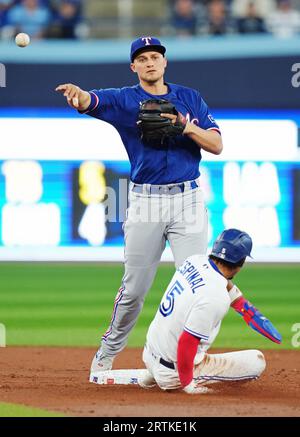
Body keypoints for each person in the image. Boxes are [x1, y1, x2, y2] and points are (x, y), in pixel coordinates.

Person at [55, 36, 223, 374]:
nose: (149, 62)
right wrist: (78, 96)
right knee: (133, 291)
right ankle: (105, 354)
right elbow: (91, 101)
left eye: (155, 57)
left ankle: (188, 358)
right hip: (146, 200)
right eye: (142, 58)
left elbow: (216, 144)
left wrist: (184, 125)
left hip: (188, 199)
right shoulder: (125, 100)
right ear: (134, 66)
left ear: (164, 62)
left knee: (198, 286)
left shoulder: (189, 98)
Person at [138, 229, 281, 393]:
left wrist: (245, 308)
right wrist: (187, 384)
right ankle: (173, 379)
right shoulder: (216, 297)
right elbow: (187, 342)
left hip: (149, 353)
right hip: (174, 372)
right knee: (257, 361)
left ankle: (152, 374)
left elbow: (221, 282)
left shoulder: (194, 261)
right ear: (241, 263)